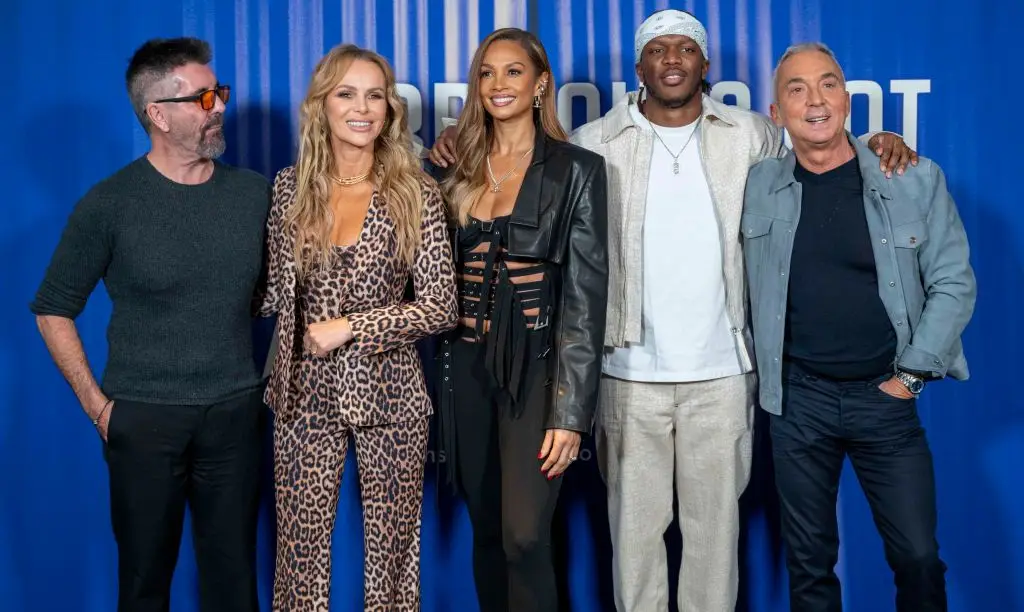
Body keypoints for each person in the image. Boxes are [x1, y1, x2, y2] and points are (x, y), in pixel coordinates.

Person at [428, 11, 919, 612]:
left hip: (723, 374)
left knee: (714, 545)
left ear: (704, 64)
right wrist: (456, 140)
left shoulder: (748, 135)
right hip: (626, 372)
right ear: (640, 66)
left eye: (685, 49)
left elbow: (819, 143)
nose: (672, 59)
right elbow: (516, 167)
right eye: (657, 50)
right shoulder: (593, 145)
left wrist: (876, 141)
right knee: (634, 549)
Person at [30, 38, 267, 612]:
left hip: (236, 416)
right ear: (157, 114)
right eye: (203, 97)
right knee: (143, 584)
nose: (219, 107)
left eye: (221, 93)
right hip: (144, 420)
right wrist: (99, 408)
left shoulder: (254, 195)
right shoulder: (108, 205)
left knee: (235, 584)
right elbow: (52, 306)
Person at [743, 42, 975, 612]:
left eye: (827, 85)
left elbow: (954, 282)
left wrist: (912, 376)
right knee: (809, 564)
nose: (814, 100)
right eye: (796, 89)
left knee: (918, 557)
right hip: (798, 401)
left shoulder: (912, 179)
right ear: (777, 114)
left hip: (885, 398)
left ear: (847, 101)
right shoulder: (755, 186)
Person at [257, 44, 457, 611]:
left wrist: (352, 326)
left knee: (393, 554)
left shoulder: (415, 193)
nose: (362, 108)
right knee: (299, 554)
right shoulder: (288, 189)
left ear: (390, 109)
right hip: (303, 393)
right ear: (321, 105)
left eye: (375, 95)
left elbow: (440, 305)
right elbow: (273, 291)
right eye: (346, 93)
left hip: (391, 393)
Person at [425, 27, 608, 612]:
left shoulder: (578, 169)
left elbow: (585, 297)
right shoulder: (455, 170)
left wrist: (572, 413)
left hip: (537, 372)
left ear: (540, 84)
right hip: (465, 366)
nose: (498, 84)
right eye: (486, 73)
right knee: (486, 532)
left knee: (524, 534)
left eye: (512, 72)